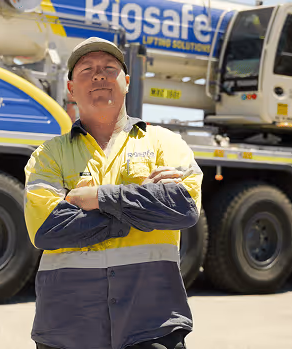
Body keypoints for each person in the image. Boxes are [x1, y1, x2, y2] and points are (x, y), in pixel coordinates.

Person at [23, 37, 203, 349]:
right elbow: (46, 229)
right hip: (68, 329)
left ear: (127, 81)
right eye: (86, 70)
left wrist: (96, 198)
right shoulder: (48, 154)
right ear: (70, 89)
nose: (99, 75)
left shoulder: (164, 142)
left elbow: (184, 208)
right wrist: (141, 206)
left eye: (109, 68)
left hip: (152, 325)